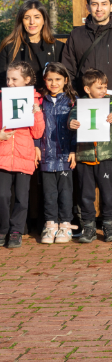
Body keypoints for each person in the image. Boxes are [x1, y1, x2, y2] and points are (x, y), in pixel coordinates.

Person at [62, 0, 112, 236]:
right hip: (84, 113)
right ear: (88, 6)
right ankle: (86, 220)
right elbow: (68, 73)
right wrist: (74, 105)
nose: (99, 8)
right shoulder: (77, 35)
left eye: (104, 3)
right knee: (84, 166)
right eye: (94, 4)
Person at [68, 68, 112, 244]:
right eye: (99, 87)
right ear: (87, 89)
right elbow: (71, 120)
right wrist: (72, 123)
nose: (103, 91)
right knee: (86, 194)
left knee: (107, 193)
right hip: (85, 156)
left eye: (105, 87)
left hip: (106, 156)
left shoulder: (109, 103)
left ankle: (108, 225)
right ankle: (88, 226)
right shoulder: (79, 106)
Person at [0, 62, 44, 248]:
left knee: (21, 196)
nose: (10, 82)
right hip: (3, 154)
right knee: (2, 195)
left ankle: (16, 230)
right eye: (8, 79)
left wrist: (37, 113)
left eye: (14, 79)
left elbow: (38, 133)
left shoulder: (35, 100)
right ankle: (3, 229)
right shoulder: (2, 99)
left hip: (24, 154)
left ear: (26, 80)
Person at [38, 63, 78, 244]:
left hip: (65, 156)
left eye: (58, 79)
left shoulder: (72, 101)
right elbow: (35, 127)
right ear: (45, 80)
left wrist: (74, 150)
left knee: (65, 192)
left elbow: (78, 130)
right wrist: (36, 146)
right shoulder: (39, 101)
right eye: (50, 79)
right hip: (46, 156)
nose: (54, 83)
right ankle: (50, 225)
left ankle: (65, 225)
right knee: (49, 193)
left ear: (66, 80)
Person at [0, 0, 64, 88]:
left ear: (44, 20)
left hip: (49, 100)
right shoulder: (9, 47)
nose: (32, 22)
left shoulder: (58, 47)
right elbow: (2, 81)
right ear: (21, 21)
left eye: (37, 17)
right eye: (26, 18)